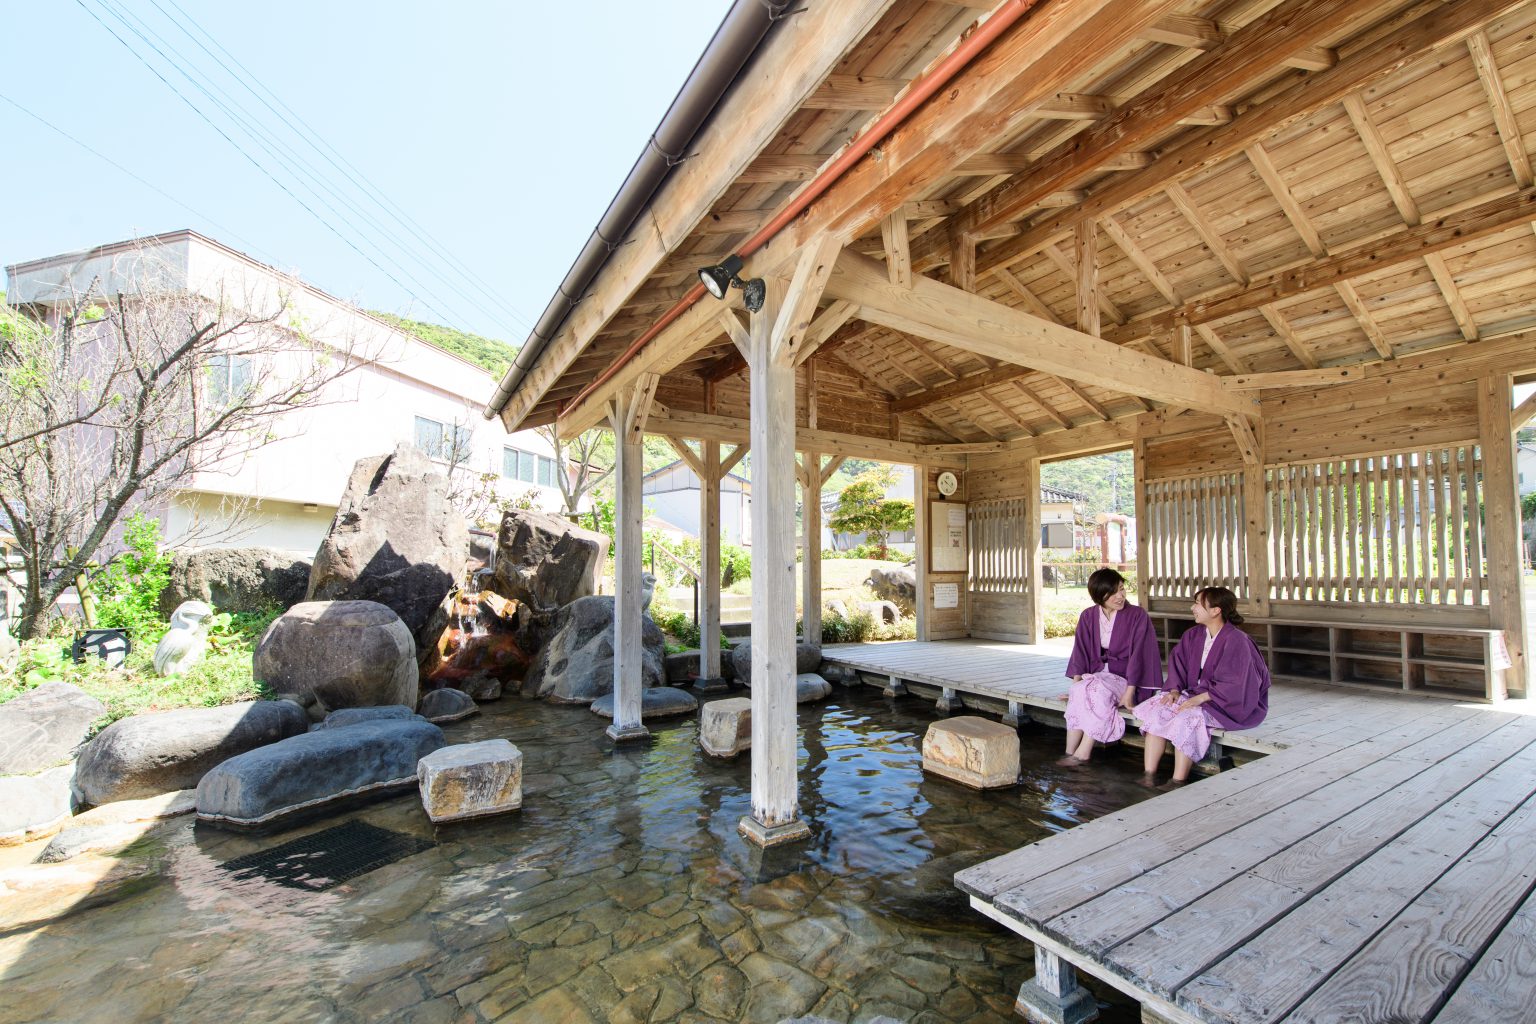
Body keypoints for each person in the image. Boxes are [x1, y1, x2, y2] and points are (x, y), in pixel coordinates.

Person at [1135, 586, 1269, 785]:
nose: (1192, 608)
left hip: (1226, 703)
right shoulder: (1193, 635)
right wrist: (1173, 690)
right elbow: (1178, 664)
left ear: (1216, 610)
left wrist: (1202, 697)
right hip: (1195, 695)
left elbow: (1238, 682)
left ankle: (1177, 780)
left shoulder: (1237, 640)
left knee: (1188, 718)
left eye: (1198, 603)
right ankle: (1149, 775)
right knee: (1160, 710)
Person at [1057, 568, 1162, 766]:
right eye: (1113, 593)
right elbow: (1080, 651)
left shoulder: (1137, 615)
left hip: (1128, 679)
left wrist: (1129, 694)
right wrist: (1076, 687)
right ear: (1099, 595)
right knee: (1081, 690)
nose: (1120, 596)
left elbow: (1140, 656)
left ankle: (1083, 752)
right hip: (1097, 674)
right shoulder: (1088, 616)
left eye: (1122, 589)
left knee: (1097, 691)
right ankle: (1069, 751)